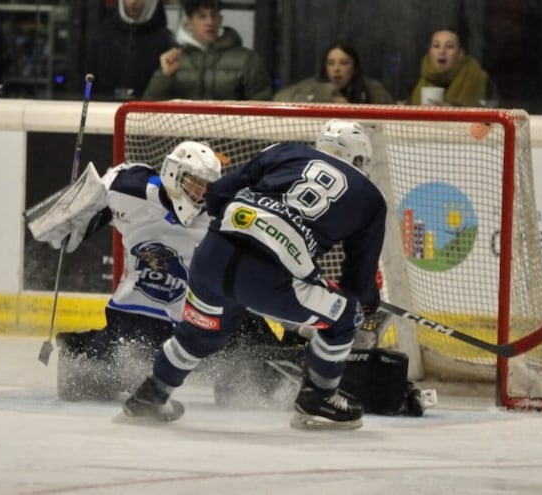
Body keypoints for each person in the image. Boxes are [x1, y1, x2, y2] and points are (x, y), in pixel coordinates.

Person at [120, 120, 387, 430]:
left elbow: (220, 192)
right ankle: (319, 398)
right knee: (346, 315)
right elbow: (359, 278)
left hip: (210, 259)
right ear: (359, 160)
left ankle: (149, 397)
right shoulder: (370, 198)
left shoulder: (285, 151)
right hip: (271, 280)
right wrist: (364, 303)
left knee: (202, 331)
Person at [27, 142, 299, 406]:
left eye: (207, 184)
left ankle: (282, 368)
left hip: (199, 317)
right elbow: (79, 206)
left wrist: (291, 316)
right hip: (139, 315)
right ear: (172, 173)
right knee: (87, 375)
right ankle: (84, 353)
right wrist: (72, 212)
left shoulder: (225, 214)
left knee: (253, 364)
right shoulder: (128, 189)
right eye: (193, 181)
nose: (201, 191)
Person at [143, 0, 272, 101]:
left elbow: (262, 106)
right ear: (189, 22)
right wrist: (164, 77)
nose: (209, 22)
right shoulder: (174, 60)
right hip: (183, 133)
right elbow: (149, 107)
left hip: (230, 133)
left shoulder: (247, 60)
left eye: (213, 15)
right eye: (202, 17)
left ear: (220, 20)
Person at [85, 0, 175, 101]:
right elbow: (88, 80)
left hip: (147, 112)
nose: (133, 2)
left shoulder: (165, 40)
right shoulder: (102, 35)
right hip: (102, 109)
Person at [274, 41, 394, 104]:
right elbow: (279, 99)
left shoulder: (373, 90)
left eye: (344, 63)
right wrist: (326, 96)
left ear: (354, 68)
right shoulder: (311, 87)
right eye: (331, 63)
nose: (336, 69)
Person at [409, 27, 491, 107]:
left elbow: (494, 108)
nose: (442, 52)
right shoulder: (417, 76)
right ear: (429, 51)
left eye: (449, 46)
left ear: (460, 53)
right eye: (436, 46)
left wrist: (453, 110)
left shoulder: (476, 77)